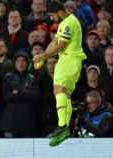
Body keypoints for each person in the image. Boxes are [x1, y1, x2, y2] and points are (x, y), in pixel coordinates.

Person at [33, 1, 87, 146]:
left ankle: (62, 126)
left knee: (59, 90)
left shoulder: (69, 22)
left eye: (51, 15)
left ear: (58, 12)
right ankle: (65, 128)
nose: (51, 18)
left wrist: (42, 57)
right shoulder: (64, 23)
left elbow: (61, 45)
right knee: (64, 93)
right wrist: (43, 56)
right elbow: (55, 42)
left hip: (70, 59)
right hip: (67, 60)